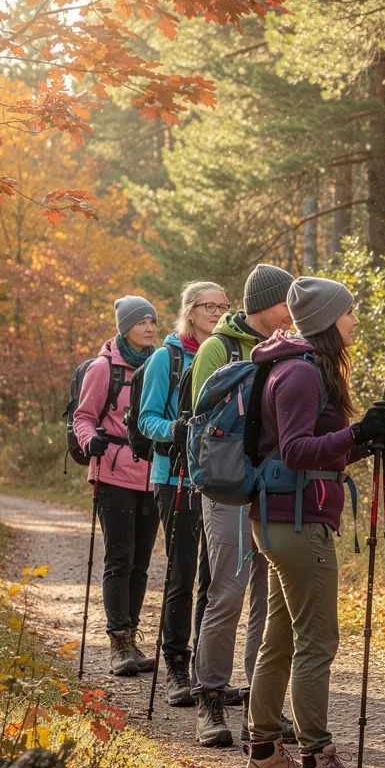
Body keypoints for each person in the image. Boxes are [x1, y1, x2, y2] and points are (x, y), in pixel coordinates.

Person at [241, 277, 385, 768]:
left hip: (282, 518)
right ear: (328, 319)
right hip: (298, 523)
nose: (354, 320)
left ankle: (265, 757)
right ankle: (316, 765)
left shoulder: (293, 366)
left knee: (280, 639)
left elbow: (306, 452)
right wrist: (355, 433)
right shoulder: (302, 373)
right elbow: (299, 450)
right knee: (316, 643)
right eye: (349, 312)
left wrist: (363, 440)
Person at [189, 264, 297, 747]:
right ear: (264, 305)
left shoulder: (291, 344)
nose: (291, 313)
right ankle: (210, 699)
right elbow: (203, 417)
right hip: (230, 485)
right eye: (285, 304)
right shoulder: (220, 347)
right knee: (228, 593)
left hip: (274, 486)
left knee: (269, 600)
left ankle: (262, 703)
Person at [137, 281, 228, 705]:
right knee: (182, 573)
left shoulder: (229, 353)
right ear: (189, 311)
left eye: (223, 306)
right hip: (173, 477)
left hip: (217, 480)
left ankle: (206, 671)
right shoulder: (166, 358)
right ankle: (175, 663)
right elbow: (147, 419)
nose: (216, 312)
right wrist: (177, 429)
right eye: (208, 305)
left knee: (214, 578)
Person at [73, 296, 159, 676]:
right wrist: (90, 439)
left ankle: (133, 637)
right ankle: (118, 643)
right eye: (142, 322)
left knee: (141, 562)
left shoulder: (160, 364)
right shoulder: (103, 367)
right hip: (111, 472)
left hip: (153, 474)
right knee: (120, 557)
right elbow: (84, 415)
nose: (150, 328)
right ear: (125, 326)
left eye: (153, 322)